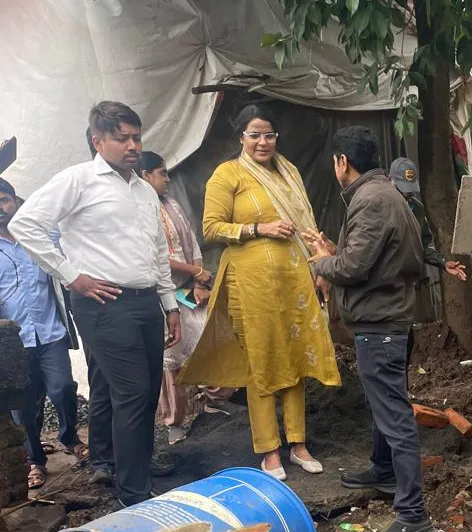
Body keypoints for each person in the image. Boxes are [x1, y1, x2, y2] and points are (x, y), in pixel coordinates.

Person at [9, 101, 182, 508]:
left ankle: (135, 469)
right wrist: (72, 276)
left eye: (136, 137)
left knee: (146, 391)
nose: (132, 146)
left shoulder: (142, 189)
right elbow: (25, 225)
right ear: (98, 140)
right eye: (122, 138)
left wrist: (170, 304)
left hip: (144, 301)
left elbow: (158, 251)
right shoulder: (78, 180)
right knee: (132, 392)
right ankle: (134, 494)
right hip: (103, 302)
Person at [178, 104, 340, 480]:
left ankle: (298, 444)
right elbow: (211, 228)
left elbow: (306, 225)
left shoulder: (289, 172)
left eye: (269, 135)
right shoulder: (228, 174)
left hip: (294, 280)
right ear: (241, 138)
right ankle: (269, 451)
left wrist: (320, 267)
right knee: (263, 362)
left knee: (297, 359)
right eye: (255, 135)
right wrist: (259, 228)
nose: (263, 142)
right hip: (251, 285)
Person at [311, 126, 436, 532]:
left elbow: (353, 267)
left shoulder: (370, 200)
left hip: (381, 325)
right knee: (388, 407)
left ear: (342, 161)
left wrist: (324, 261)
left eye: (334, 162)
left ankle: (413, 514)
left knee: (396, 416)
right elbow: (380, 257)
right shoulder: (387, 195)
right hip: (387, 319)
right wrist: (336, 250)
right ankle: (383, 470)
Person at [0, 178, 85, 489]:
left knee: (62, 388)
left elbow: (71, 252)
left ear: (17, 201)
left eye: (5, 200)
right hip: (14, 343)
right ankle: (34, 461)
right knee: (23, 408)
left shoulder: (41, 237)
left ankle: (68, 436)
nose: (0, 208)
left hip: (50, 333)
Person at [138, 151, 214, 445]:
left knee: (208, 340)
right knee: (171, 359)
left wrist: (199, 279)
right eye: (162, 173)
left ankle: (213, 401)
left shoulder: (172, 204)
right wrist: (195, 270)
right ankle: (174, 422)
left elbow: (192, 241)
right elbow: (157, 257)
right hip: (159, 294)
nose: (167, 179)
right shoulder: (141, 211)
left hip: (187, 290)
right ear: (145, 176)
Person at [387, 157, 467, 366]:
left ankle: (401, 391)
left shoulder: (417, 208)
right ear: (390, 182)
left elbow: (423, 245)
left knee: (405, 341)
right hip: (383, 284)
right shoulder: (380, 207)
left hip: (405, 284)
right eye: (402, 189)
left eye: (409, 189)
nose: (406, 194)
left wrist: (442, 262)